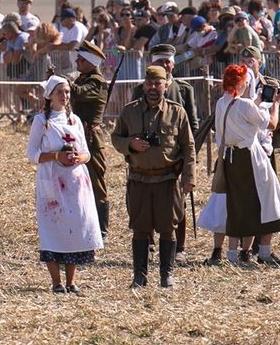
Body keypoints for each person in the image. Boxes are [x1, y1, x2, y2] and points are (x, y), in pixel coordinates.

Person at [111, 66, 196, 288]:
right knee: (140, 228)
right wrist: (130, 144)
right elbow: (115, 137)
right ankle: (140, 276)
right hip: (139, 179)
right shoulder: (129, 111)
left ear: (166, 85)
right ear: (143, 85)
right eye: (148, 83)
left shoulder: (177, 112)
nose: (152, 88)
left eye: (157, 83)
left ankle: (167, 275)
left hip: (167, 180)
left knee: (168, 227)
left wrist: (189, 176)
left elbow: (188, 146)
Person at [203, 64, 280, 266]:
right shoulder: (245, 105)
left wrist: (259, 100)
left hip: (230, 158)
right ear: (242, 83)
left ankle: (233, 254)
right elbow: (271, 124)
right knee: (268, 199)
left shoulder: (222, 103)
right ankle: (264, 251)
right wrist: (276, 104)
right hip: (250, 157)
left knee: (236, 205)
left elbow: (242, 110)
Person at [27, 75, 103, 294]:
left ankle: (71, 281)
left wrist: (78, 158)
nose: (65, 96)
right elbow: (31, 153)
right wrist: (55, 156)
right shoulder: (42, 121)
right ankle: (56, 282)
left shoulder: (75, 120)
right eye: (60, 92)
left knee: (74, 226)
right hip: (51, 180)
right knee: (54, 227)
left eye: (67, 91)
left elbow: (87, 153)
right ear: (50, 96)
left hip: (75, 182)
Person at [70, 40, 110, 239]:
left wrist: (61, 82)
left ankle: (102, 230)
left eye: (80, 58)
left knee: (96, 183)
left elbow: (78, 94)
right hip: (79, 136)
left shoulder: (96, 82)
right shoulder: (82, 78)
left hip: (91, 139)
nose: (77, 60)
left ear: (89, 62)